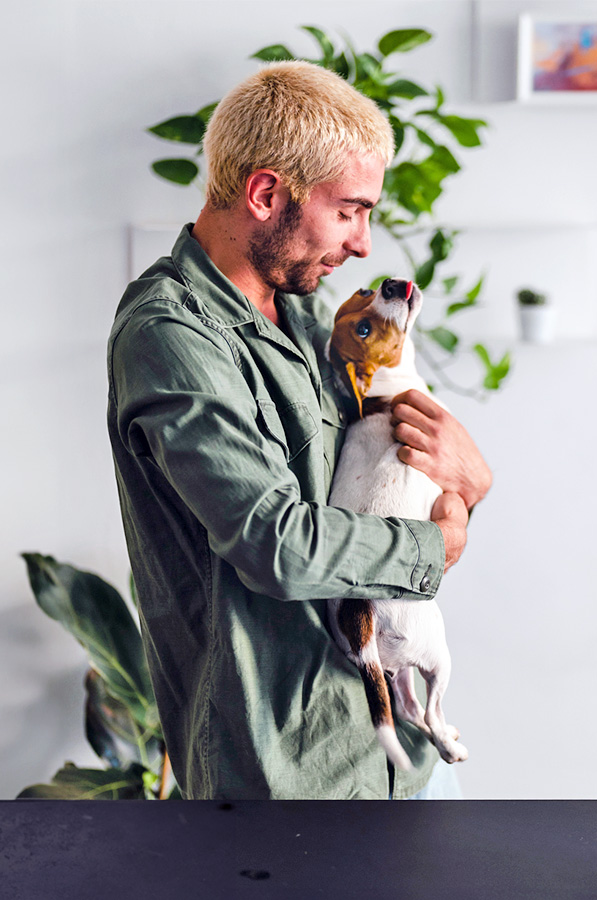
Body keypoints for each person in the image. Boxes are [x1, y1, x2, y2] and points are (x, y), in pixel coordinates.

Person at [107, 61, 491, 800]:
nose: (364, 244)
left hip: (396, 755)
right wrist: (435, 544)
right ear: (264, 193)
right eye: (349, 211)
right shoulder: (170, 333)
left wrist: (469, 485)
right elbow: (274, 543)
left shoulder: (309, 318)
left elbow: (375, 492)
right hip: (285, 781)